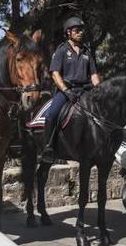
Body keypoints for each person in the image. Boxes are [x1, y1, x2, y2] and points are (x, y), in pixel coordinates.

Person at [42, 16, 101, 161]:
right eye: (77, 30)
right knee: (52, 114)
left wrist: (99, 90)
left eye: (82, 30)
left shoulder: (87, 51)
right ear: (68, 32)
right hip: (66, 91)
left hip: (84, 90)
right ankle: (48, 147)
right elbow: (55, 73)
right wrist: (66, 91)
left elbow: (93, 74)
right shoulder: (62, 50)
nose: (80, 32)